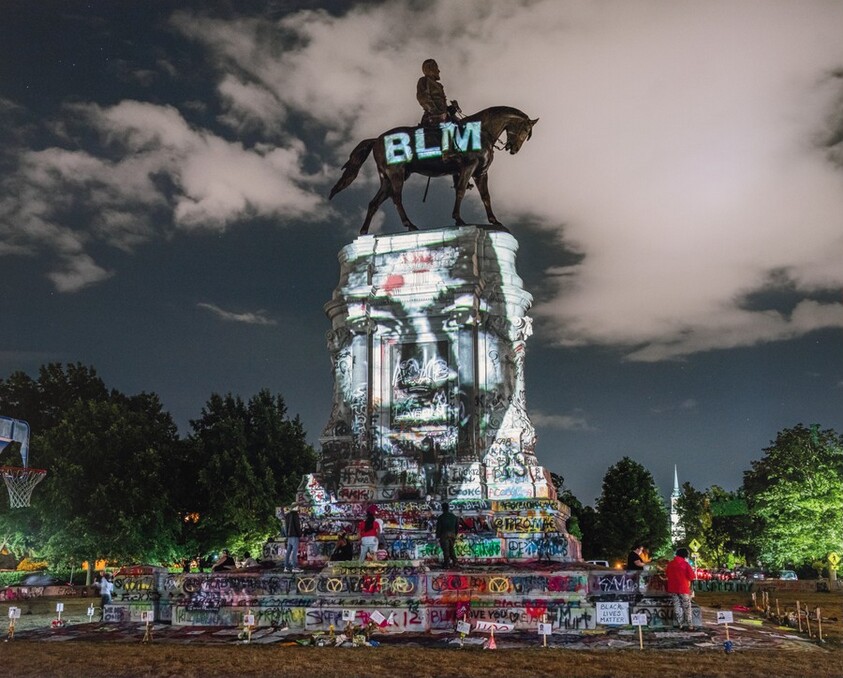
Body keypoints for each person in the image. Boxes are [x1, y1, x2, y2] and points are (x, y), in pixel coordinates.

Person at [416, 58, 460, 127]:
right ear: (430, 69)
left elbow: (441, 107)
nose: (439, 71)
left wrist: (451, 109)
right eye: (436, 68)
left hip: (444, 118)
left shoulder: (439, 85)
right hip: (432, 119)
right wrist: (437, 113)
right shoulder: (424, 80)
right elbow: (423, 98)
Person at [666, 547, 696, 630]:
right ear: (685, 555)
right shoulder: (685, 564)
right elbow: (691, 577)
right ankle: (690, 625)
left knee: (677, 606)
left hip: (673, 588)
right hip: (683, 588)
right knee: (687, 606)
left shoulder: (670, 564)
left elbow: (667, 574)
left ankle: (680, 625)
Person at [436, 502, 459, 568]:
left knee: (446, 550)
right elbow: (457, 527)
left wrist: (437, 537)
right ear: (448, 508)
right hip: (453, 534)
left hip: (444, 535)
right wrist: (455, 534)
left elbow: (439, 528)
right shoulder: (454, 516)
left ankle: (447, 564)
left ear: (442, 508)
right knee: (451, 549)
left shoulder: (441, 517)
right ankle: (455, 562)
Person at [284, 504, 303, 572]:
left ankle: (286, 567)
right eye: (298, 506)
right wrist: (300, 534)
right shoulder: (295, 514)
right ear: (295, 507)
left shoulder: (287, 515)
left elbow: (285, 526)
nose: (298, 508)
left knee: (288, 551)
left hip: (289, 536)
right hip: (295, 535)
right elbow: (297, 526)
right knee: (294, 552)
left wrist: (287, 535)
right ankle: (295, 567)